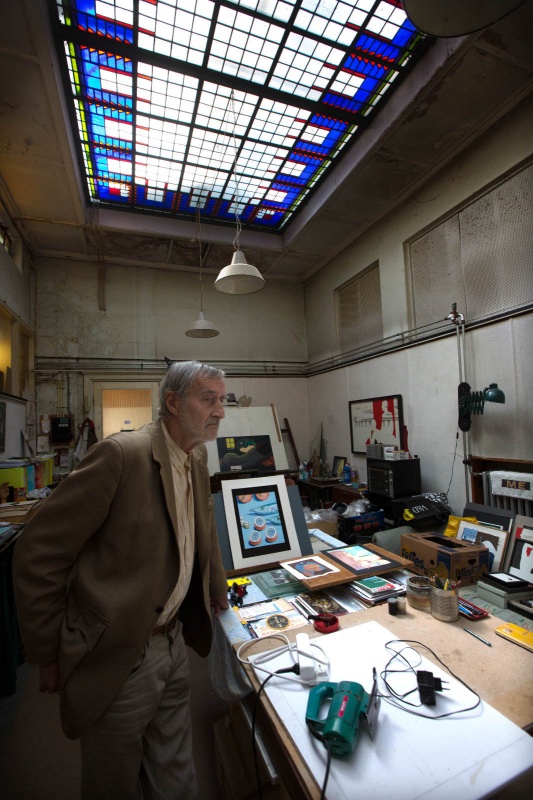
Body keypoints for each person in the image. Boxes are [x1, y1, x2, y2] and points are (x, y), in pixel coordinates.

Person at [13, 360, 230, 800]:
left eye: (222, 400)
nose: (220, 411)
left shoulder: (199, 455)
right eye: (208, 399)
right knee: (113, 780)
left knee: (175, 771)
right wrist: (47, 651)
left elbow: (202, 528)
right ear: (172, 401)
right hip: (118, 651)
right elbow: (38, 551)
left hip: (173, 642)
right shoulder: (121, 455)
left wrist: (217, 591)